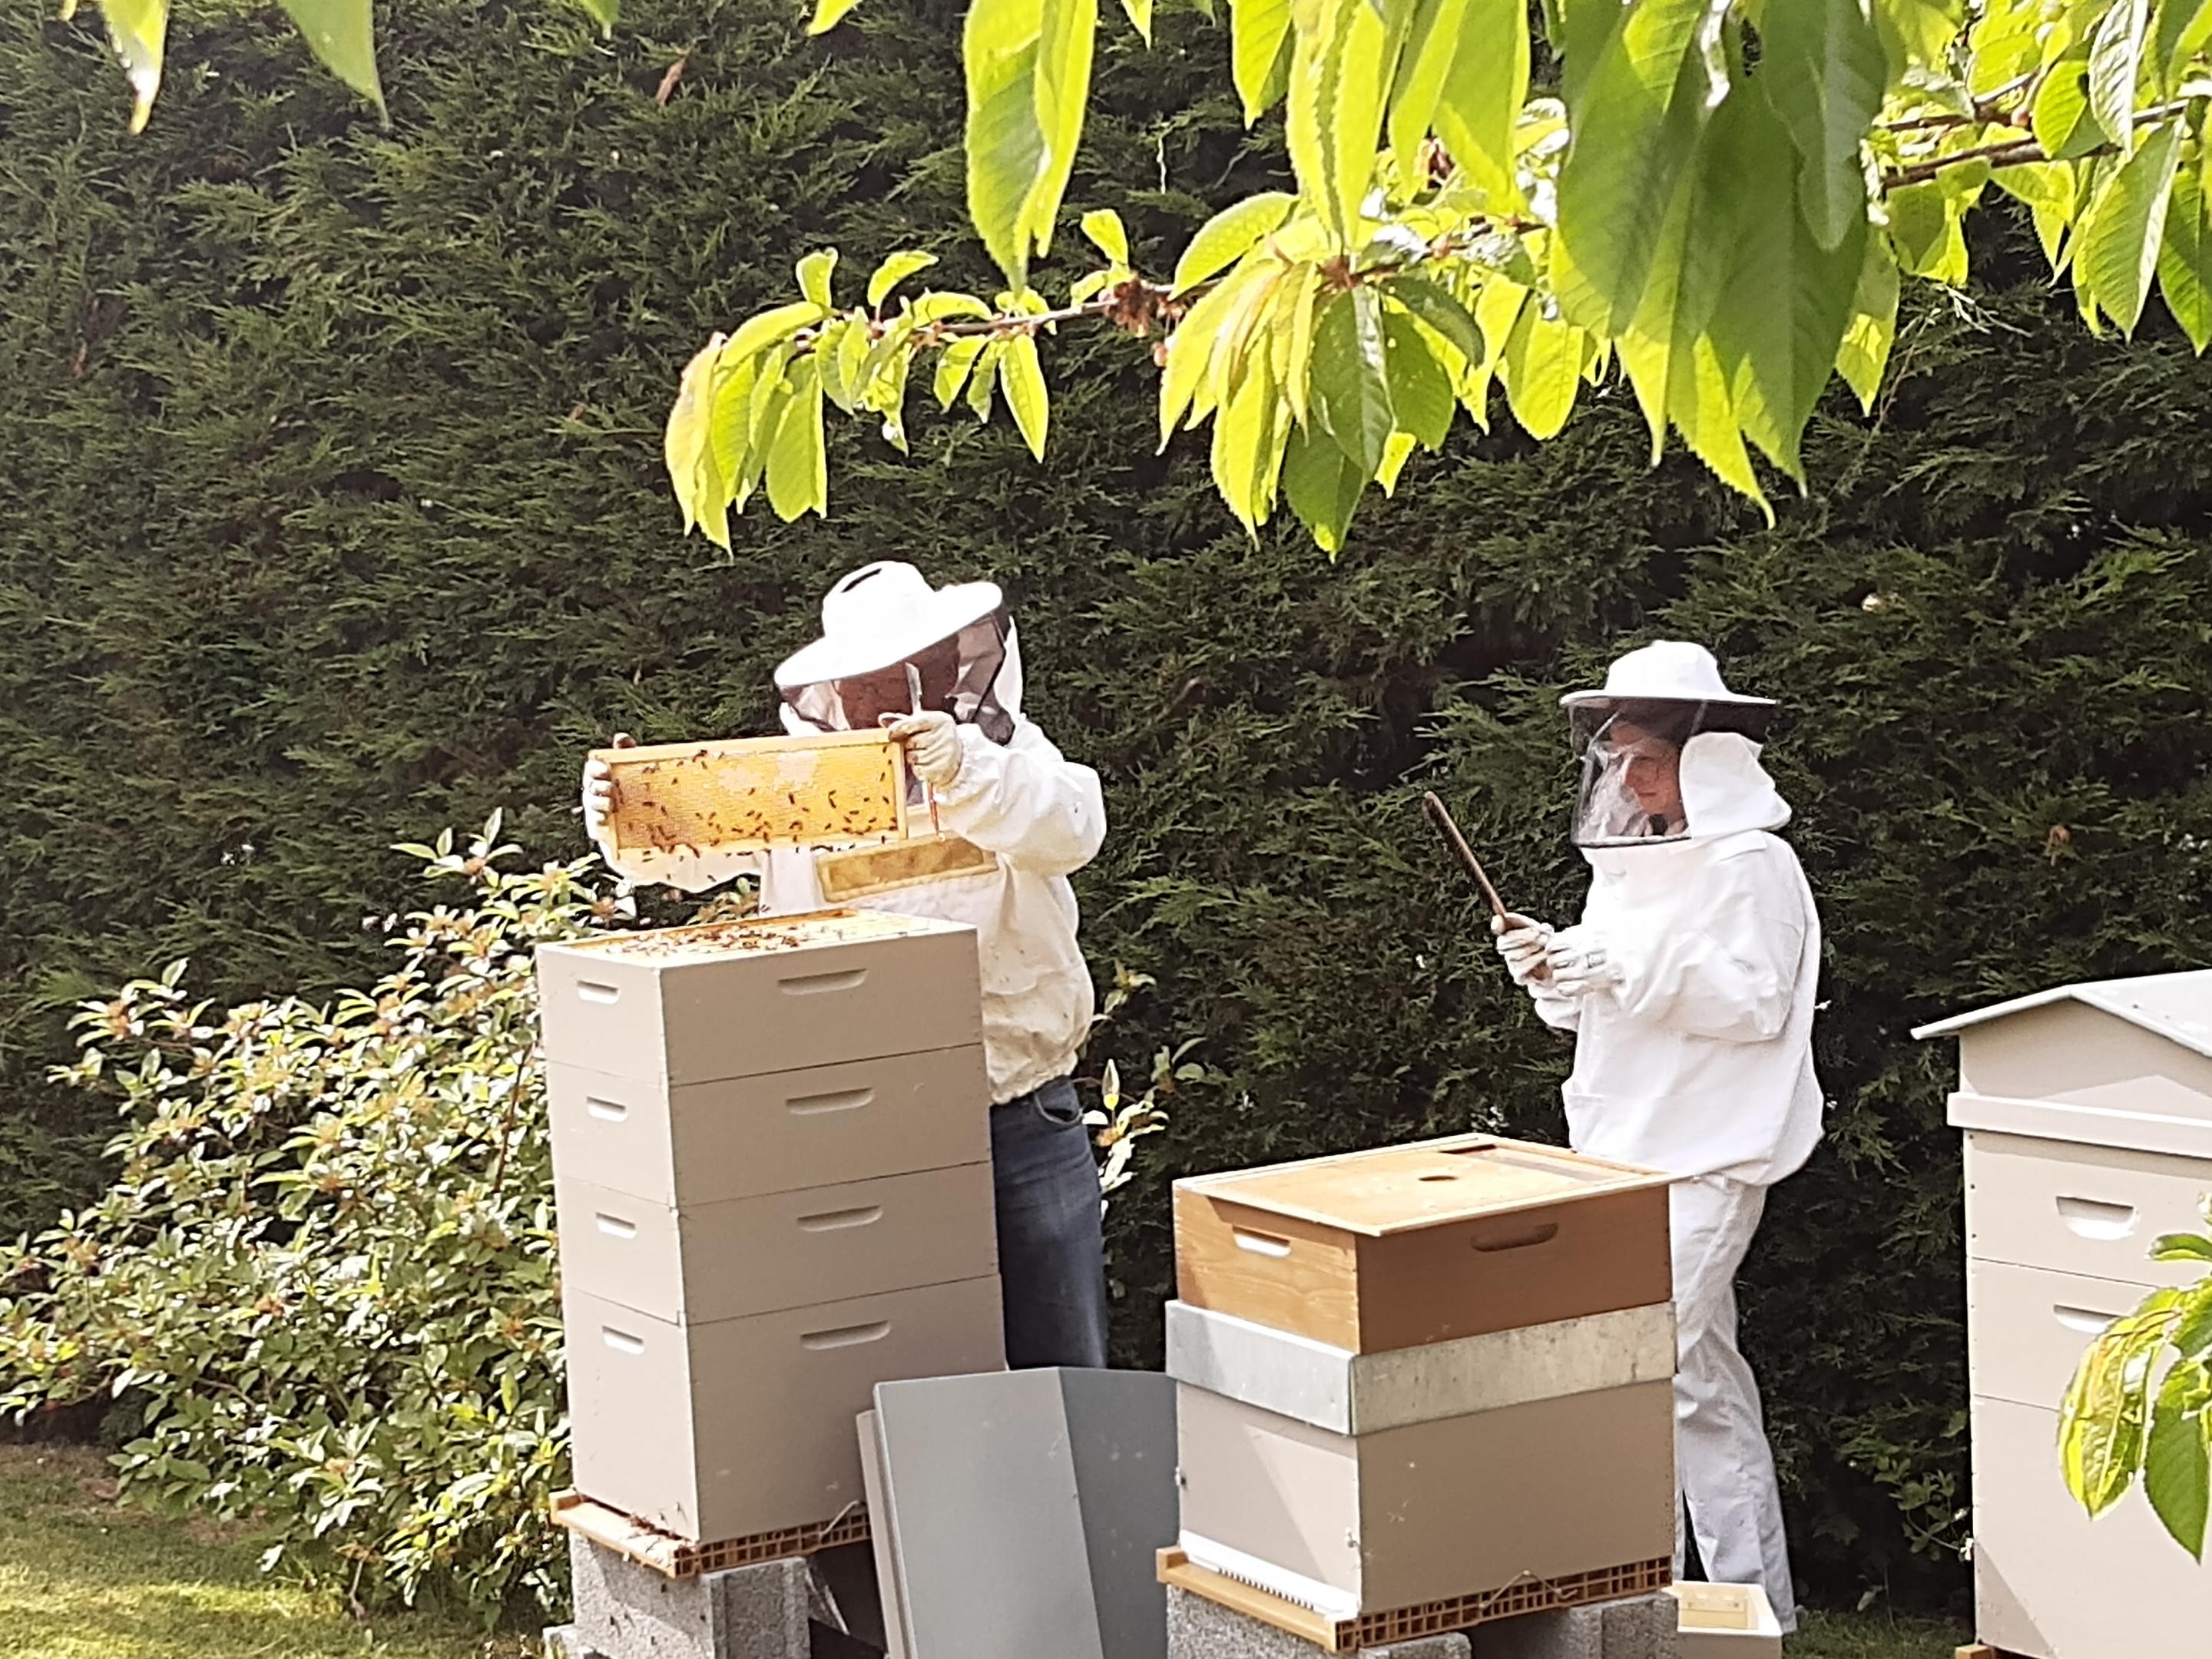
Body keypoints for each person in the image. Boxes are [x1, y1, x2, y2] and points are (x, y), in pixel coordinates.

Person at [581, 561, 1111, 1371]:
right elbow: (680, 851)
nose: (899, 691)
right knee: (888, 1374)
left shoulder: (1010, 757)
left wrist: (964, 770)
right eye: (872, 678)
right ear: (837, 692)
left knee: (1065, 1368)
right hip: (851, 1135)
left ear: (958, 662)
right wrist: (625, 811)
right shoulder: (792, 787)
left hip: (1018, 1116)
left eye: (922, 665)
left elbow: (1069, 828)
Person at [1492, 640, 1820, 1632]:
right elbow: (1607, 1012)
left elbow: (1753, 999)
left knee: (1632, 1375)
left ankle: (1629, 1617)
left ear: (1709, 754)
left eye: (1647, 758)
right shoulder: (1629, 867)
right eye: (1618, 759)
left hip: (1711, 1159)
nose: (1629, 778)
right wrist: (1554, 973)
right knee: (1698, 1388)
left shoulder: (1754, 865)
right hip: (1626, 1157)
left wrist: (1611, 964)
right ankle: (1749, 1614)